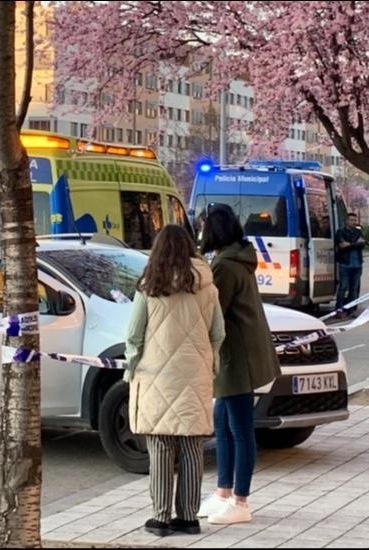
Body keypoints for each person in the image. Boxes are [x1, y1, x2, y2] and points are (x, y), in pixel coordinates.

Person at [125, 224, 225, 537]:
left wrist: (131, 367)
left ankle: (160, 517)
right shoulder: (207, 285)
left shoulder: (149, 285)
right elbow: (218, 332)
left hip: (155, 376)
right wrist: (211, 362)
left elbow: (133, 335)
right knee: (193, 447)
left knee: (161, 447)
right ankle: (189, 517)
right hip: (195, 373)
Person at [197, 203, 281, 525]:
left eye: (204, 226)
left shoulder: (225, 267)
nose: (201, 232)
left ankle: (240, 501)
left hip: (236, 357)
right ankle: (223, 492)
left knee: (240, 429)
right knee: (224, 422)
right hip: (236, 354)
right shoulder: (234, 258)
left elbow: (213, 312)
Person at [334, 213, 366, 317]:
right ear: (346, 221)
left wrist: (350, 244)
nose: (353, 222)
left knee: (354, 288)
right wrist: (355, 244)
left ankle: (352, 309)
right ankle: (339, 309)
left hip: (357, 264)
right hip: (345, 263)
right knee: (343, 287)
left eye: (354, 220)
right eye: (351, 220)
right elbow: (342, 246)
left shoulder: (358, 231)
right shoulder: (340, 232)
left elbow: (362, 244)